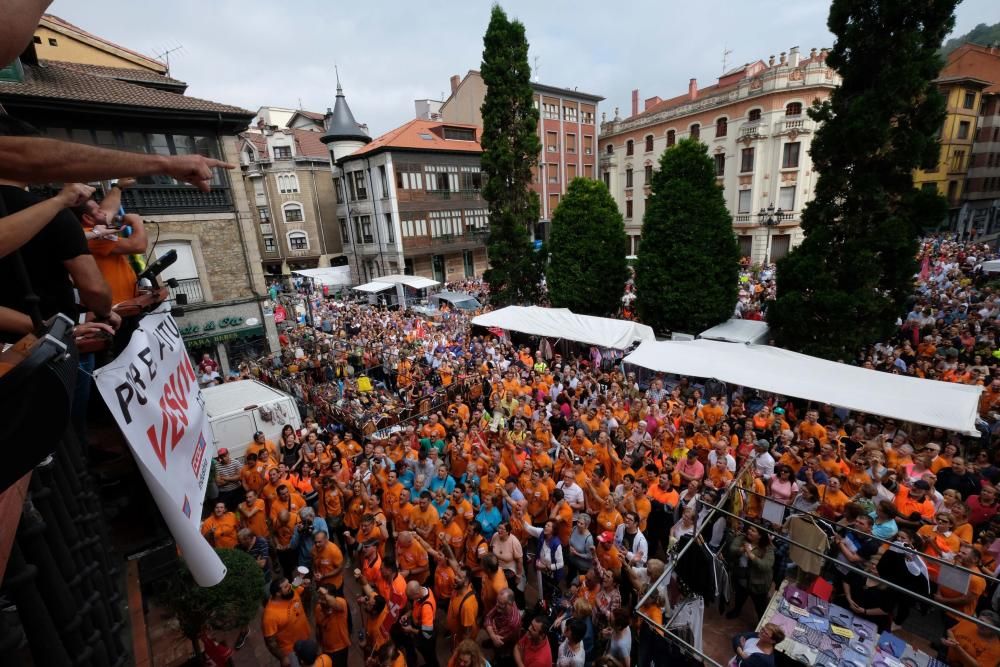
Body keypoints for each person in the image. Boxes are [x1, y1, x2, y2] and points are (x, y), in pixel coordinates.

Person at [725, 524, 774, 621]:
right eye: (749, 529)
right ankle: (737, 610)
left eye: (753, 530)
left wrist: (751, 554)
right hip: (742, 578)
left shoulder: (768, 548)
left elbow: (766, 565)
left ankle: (762, 622)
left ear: (760, 535)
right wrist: (742, 549)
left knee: (760, 606)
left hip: (758, 583)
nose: (749, 531)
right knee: (740, 597)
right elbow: (732, 549)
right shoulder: (742, 538)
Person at [262, 578, 311, 666]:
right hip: (290, 650)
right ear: (278, 593)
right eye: (286, 586)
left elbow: (305, 596)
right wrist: (282, 657)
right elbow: (270, 642)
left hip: (305, 638)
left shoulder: (292, 590)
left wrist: (306, 587)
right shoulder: (270, 615)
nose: (290, 586)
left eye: (288, 583)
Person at [314, 585, 350, 667]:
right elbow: (318, 627)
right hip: (326, 649)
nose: (320, 601)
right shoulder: (318, 608)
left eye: (323, 599)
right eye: (319, 598)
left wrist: (325, 594)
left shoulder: (341, 603)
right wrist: (319, 646)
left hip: (340, 648)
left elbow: (334, 603)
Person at [484, 588, 522, 667]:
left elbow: (499, 641)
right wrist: (492, 635)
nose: (497, 605)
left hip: (506, 642)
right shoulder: (502, 603)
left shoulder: (513, 622)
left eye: (500, 603)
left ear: (509, 604)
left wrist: (491, 627)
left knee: (500, 650)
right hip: (497, 630)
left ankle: (498, 659)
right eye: (497, 601)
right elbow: (488, 617)